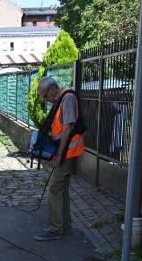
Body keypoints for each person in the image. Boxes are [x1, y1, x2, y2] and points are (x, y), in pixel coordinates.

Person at [34, 76, 85, 241]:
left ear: (52, 89)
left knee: (54, 189)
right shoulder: (62, 98)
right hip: (66, 151)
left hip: (67, 152)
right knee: (61, 188)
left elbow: (68, 128)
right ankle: (65, 226)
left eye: (44, 96)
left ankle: (55, 228)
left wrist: (59, 155)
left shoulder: (67, 97)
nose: (45, 100)